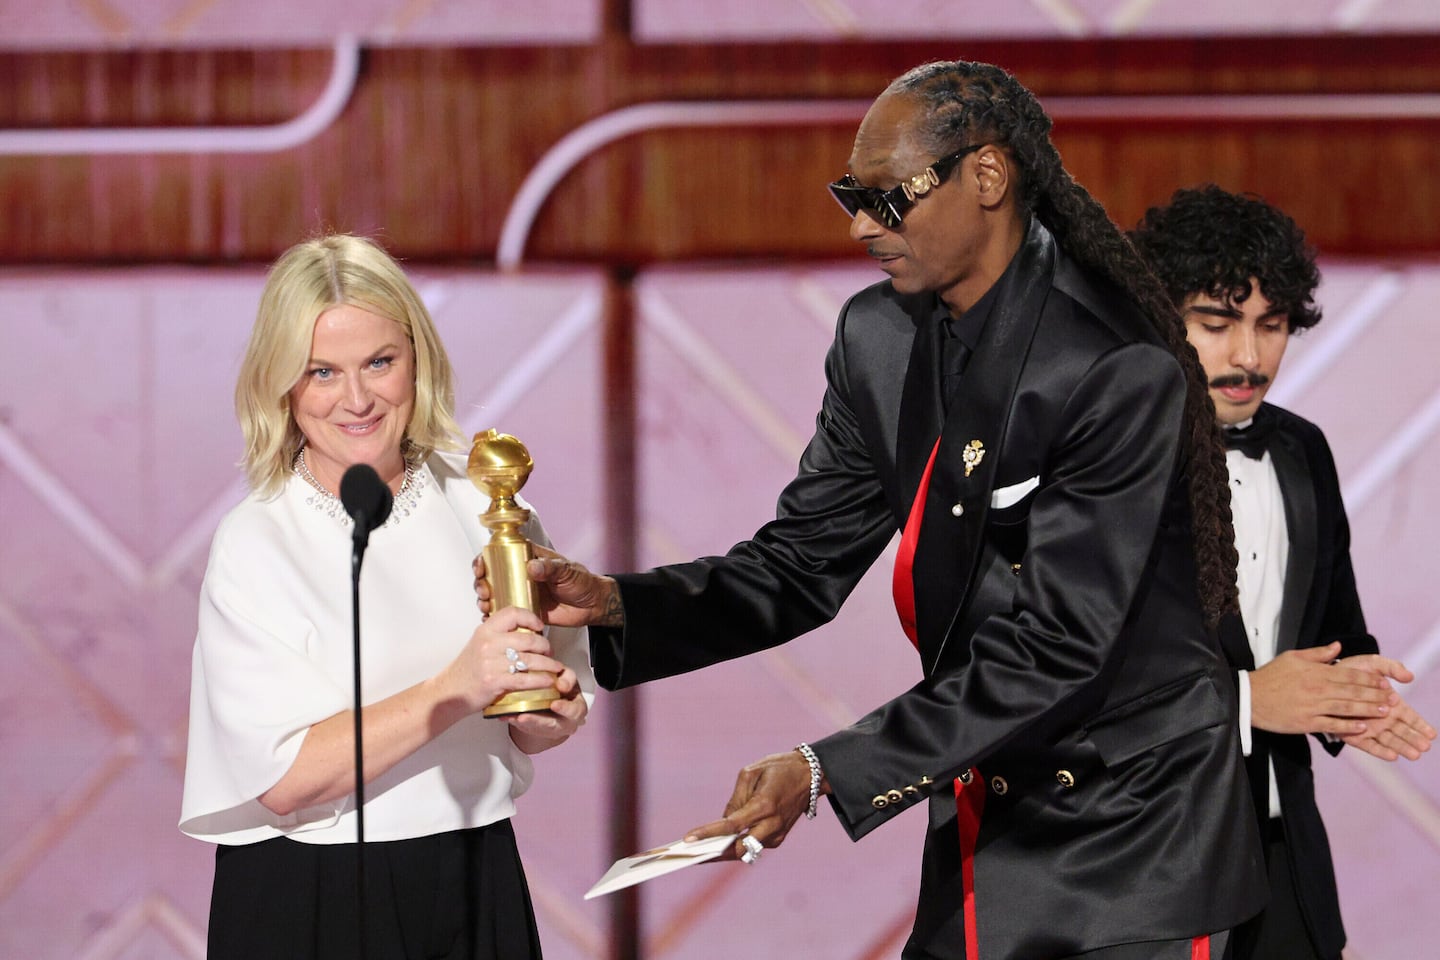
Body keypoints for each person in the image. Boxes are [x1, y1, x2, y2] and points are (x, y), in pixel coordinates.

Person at [480, 61, 1266, 959]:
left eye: (889, 198)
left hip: (1135, 840)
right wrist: (617, 605)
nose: (861, 224)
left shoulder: (1111, 365)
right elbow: (799, 564)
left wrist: (823, 771)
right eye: (852, 195)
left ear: (988, 177)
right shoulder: (878, 338)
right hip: (983, 801)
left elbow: (1059, 648)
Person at [179, 234, 594, 959]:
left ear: (417, 358)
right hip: (310, 892)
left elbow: (530, 716)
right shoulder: (256, 542)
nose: (359, 398)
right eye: (322, 373)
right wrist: (460, 686)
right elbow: (281, 779)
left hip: (475, 870)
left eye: (380, 362)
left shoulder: (487, 505)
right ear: (282, 384)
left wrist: (550, 714)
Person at [1130, 185, 1436, 960]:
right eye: (1218, 324)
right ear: (1158, 317)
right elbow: (1069, 675)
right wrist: (1244, 700)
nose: (1249, 356)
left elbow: (1333, 622)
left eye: (1271, 326)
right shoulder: (1107, 463)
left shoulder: (1304, 451)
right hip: (1137, 867)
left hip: (1283, 860)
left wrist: (1353, 690)